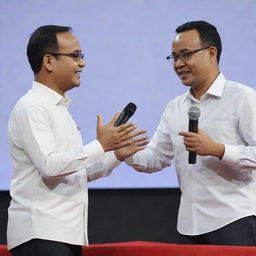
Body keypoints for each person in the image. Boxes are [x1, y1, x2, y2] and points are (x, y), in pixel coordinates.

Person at [7, 25, 148, 256]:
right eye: (75, 56)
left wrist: (115, 154)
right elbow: (50, 167)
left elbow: (76, 172)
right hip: (41, 234)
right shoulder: (32, 107)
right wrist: (101, 144)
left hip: (63, 235)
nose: (82, 63)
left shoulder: (59, 109)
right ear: (49, 62)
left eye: (81, 56)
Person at [115, 20, 256, 246]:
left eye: (185, 55)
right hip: (190, 225)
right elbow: (157, 158)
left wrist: (218, 150)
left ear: (212, 53)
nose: (178, 64)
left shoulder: (243, 98)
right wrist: (127, 154)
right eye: (174, 57)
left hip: (234, 221)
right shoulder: (175, 107)